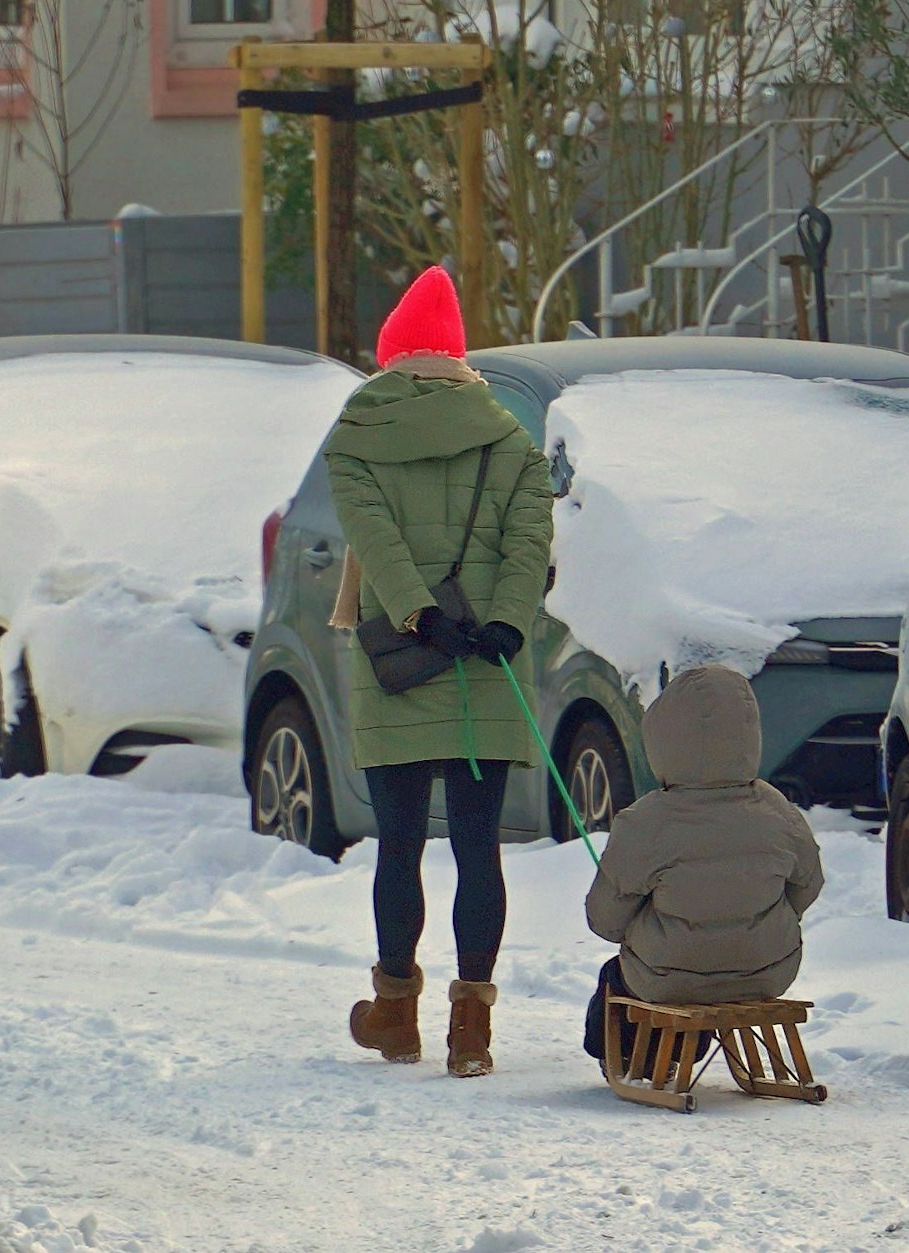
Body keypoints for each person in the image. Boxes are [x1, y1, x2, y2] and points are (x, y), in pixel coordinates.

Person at [325, 266, 554, 1078]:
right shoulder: (512, 440)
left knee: (399, 845)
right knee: (479, 845)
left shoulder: (356, 433)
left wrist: (418, 612)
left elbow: (372, 533)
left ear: (393, 354)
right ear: (459, 357)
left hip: (398, 656)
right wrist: (503, 623)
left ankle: (395, 1012)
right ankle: (472, 1030)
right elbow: (529, 545)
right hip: (486, 661)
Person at [582, 665, 824, 1072]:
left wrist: (641, 927)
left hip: (668, 974)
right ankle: (682, 1049)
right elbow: (808, 883)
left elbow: (604, 918)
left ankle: (632, 1055)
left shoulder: (646, 821)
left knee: (620, 975)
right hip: (767, 970)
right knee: (689, 971)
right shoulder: (776, 810)